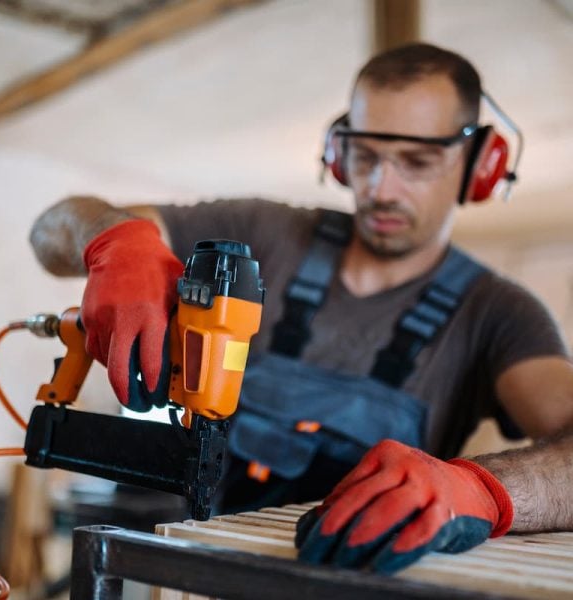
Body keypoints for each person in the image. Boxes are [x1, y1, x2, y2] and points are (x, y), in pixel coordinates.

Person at [29, 43, 573, 574]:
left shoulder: (500, 315)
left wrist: (484, 489)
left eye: (417, 161)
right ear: (338, 155)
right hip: (204, 571)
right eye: (365, 155)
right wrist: (114, 239)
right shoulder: (262, 235)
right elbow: (52, 226)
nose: (382, 188)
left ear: (480, 165)